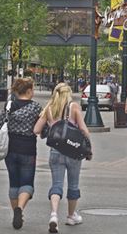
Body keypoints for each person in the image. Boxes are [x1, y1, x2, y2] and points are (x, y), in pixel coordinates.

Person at [34, 83, 92, 233]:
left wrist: (49, 127)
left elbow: (36, 130)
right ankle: (71, 216)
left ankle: (54, 215)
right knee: (73, 185)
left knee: (57, 184)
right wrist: (87, 147)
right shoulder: (74, 107)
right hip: (73, 153)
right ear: (69, 93)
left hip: (55, 151)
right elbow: (85, 130)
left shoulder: (49, 108)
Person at [0, 77, 41, 230]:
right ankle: (20, 209)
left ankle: (15, 211)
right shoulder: (36, 108)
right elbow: (43, 130)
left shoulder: (8, 106)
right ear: (28, 91)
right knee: (27, 183)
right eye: (33, 89)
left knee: (14, 182)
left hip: (10, 149)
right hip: (28, 149)